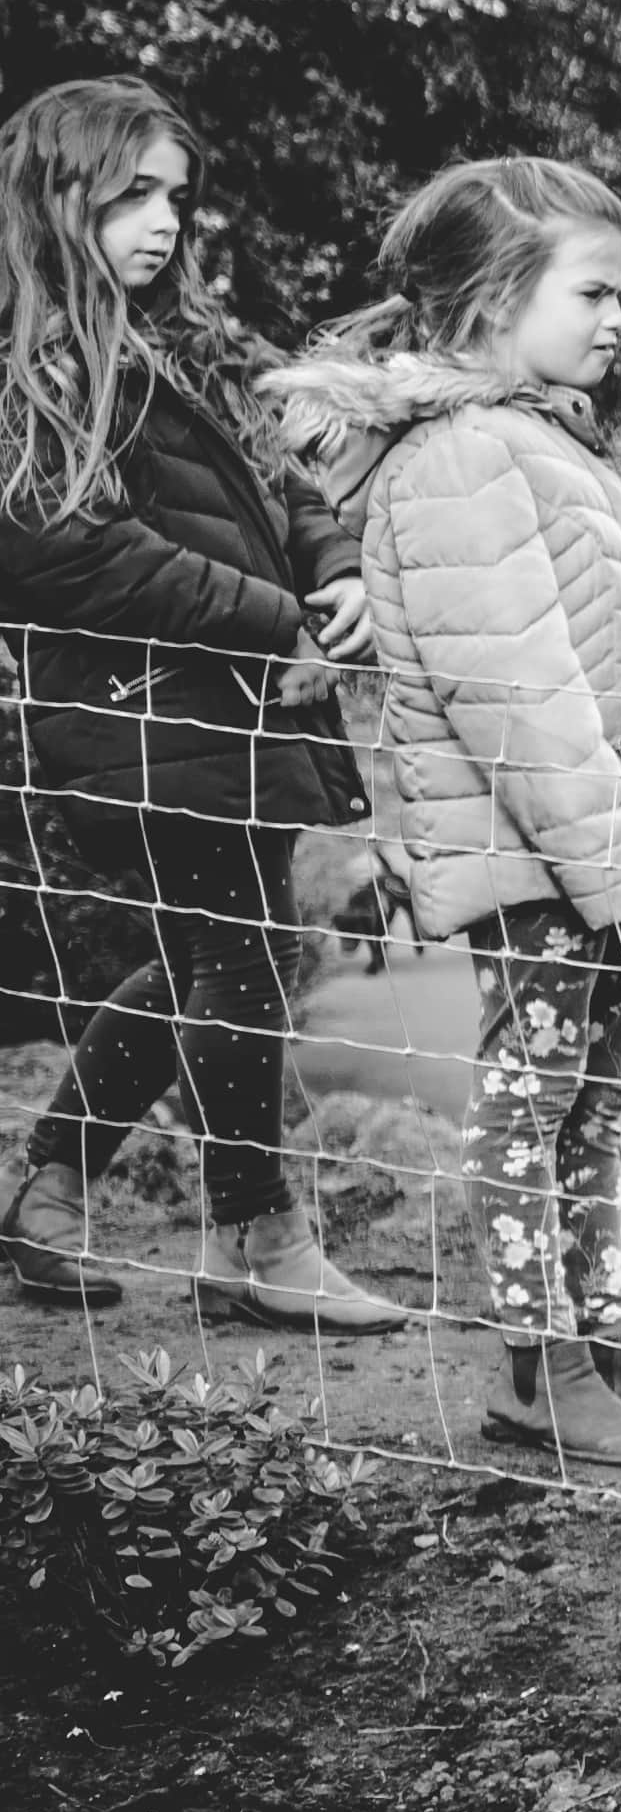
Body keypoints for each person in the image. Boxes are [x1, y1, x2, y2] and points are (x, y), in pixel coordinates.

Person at [272, 162, 621, 1472]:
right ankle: (537, 1371)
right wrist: (608, 855)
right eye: (592, 291)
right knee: (530, 1102)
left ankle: (615, 1347)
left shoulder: (536, 432)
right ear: (490, 302)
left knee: (592, 1099)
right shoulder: (467, 457)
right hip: (544, 856)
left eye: (620, 294)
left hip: (599, 848)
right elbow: (516, 693)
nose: (618, 319)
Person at [0, 77, 406, 1331]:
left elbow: (290, 482)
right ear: (57, 198)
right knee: (238, 958)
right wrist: (276, 615)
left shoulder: (189, 338)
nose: (166, 221)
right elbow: (72, 551)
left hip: (227, 709)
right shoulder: (30, 366)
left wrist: (333, 570)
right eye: (133, 195)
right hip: (130, 713)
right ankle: (255, 1239)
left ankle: (54, 1188)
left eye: (178, 195)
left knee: (208, 959)